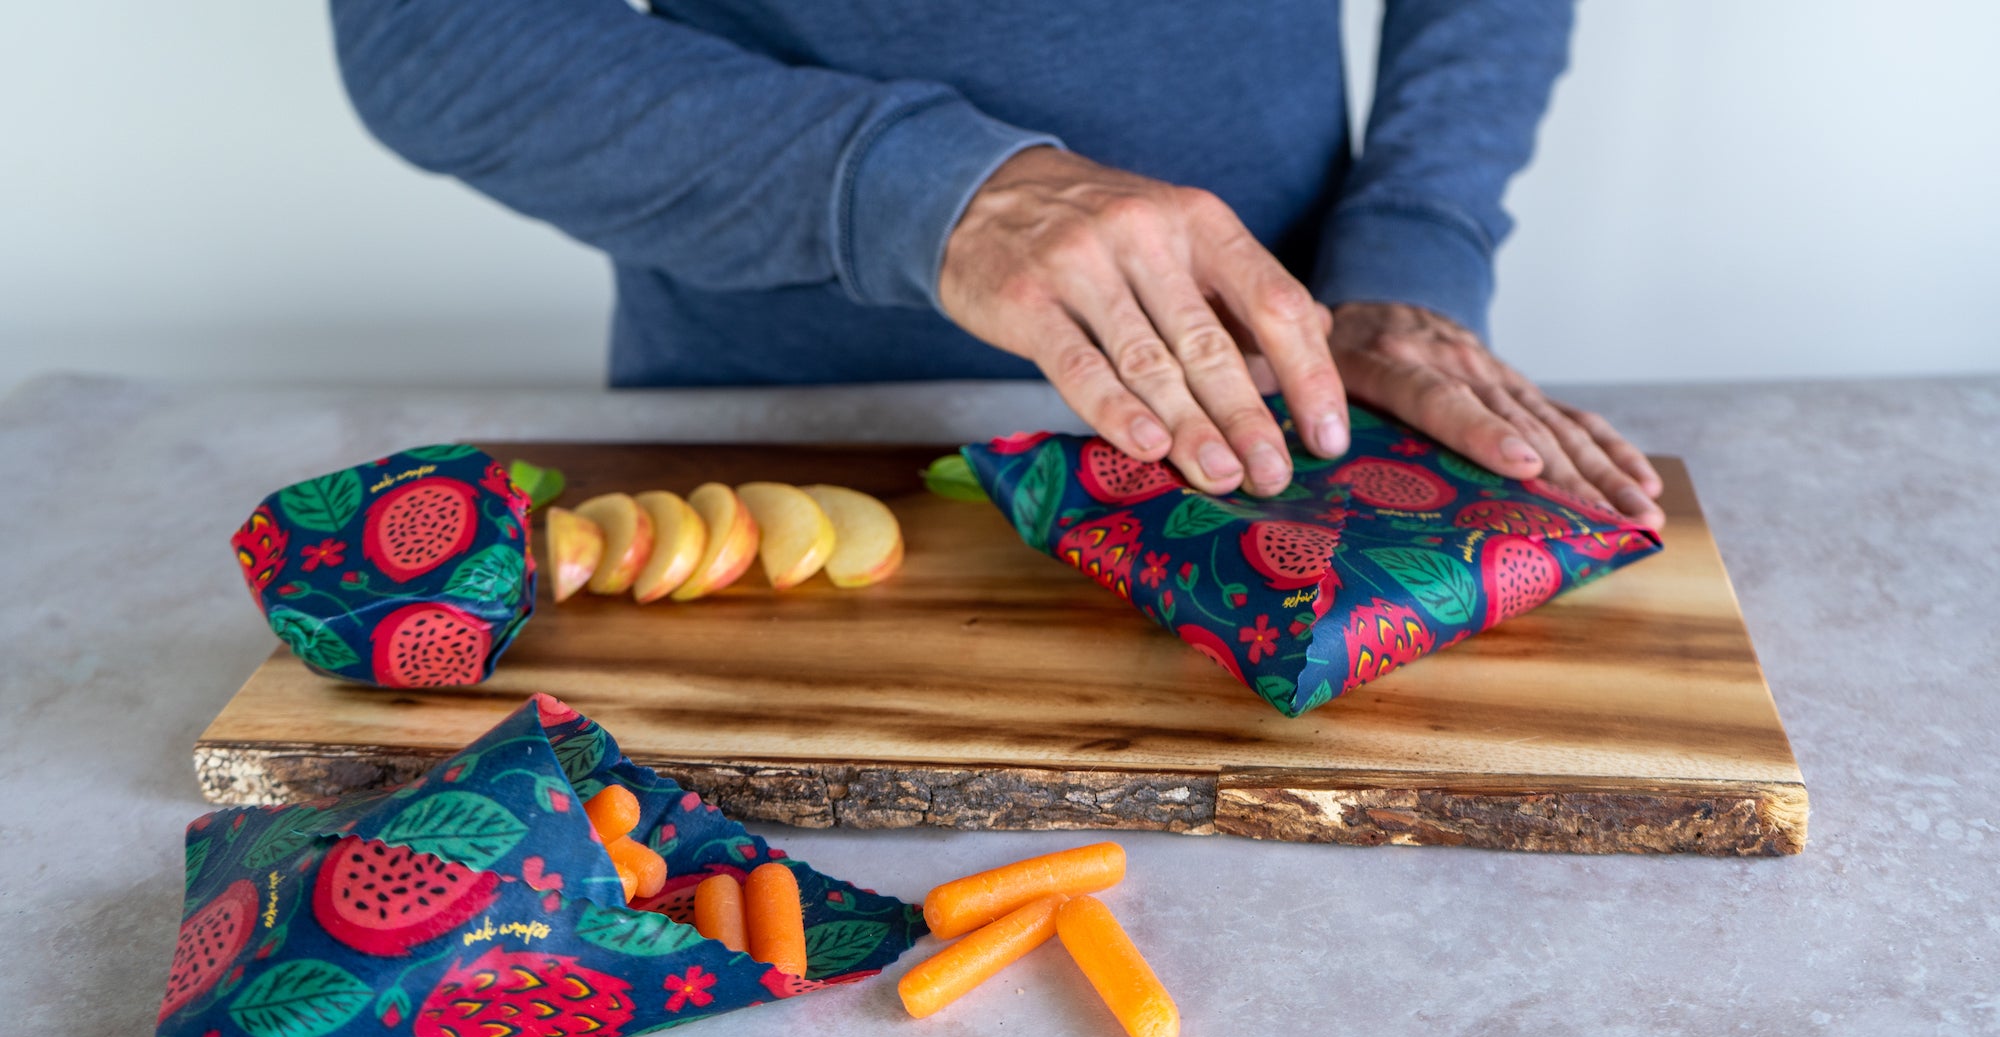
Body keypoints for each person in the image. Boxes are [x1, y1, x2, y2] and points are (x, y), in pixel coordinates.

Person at [330, 0, 1664, 527]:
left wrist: (1409, 256)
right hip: (774, 444)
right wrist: (939, 195)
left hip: (1286, 423)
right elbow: (428, 33)